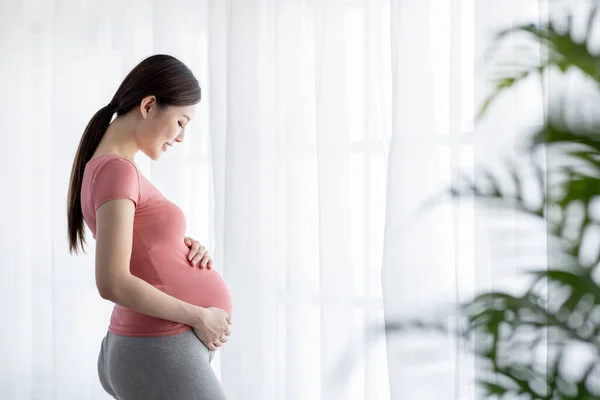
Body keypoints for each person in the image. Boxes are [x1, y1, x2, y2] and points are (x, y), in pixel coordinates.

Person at [66, 54, 232, 400]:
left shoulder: (109, 167)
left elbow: (139, 253)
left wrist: (179, 247)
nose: (182, 137)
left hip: (153, 346)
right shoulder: (117, 170)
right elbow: (112, 282)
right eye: (181, 122)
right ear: (149, 105)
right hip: (156, 346)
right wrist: (199, 316)